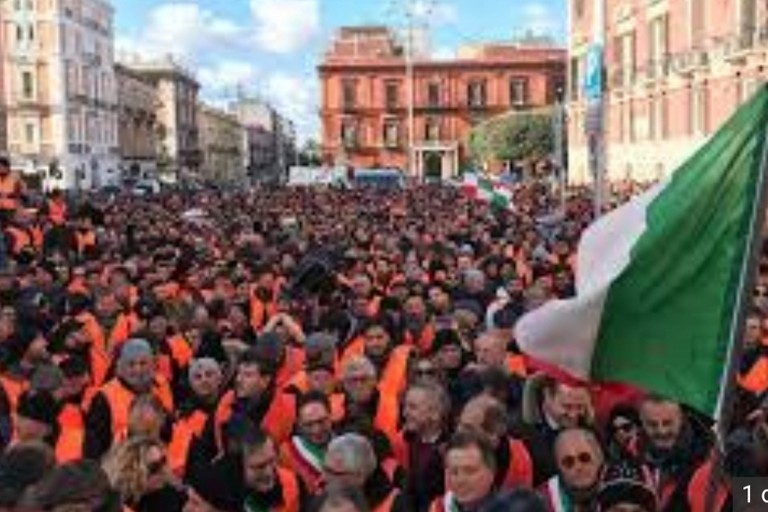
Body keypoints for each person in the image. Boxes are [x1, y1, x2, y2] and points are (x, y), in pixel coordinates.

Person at [84, 339, 174, 460]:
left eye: (143, 363)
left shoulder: (161, 388)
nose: (138, 370)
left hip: (156, 465)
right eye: (131, 364)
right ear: (120, 367)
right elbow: (94, 446)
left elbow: (168, 431)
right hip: (120, 469)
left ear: (152, 365)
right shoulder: (104, 397)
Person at [637, 397, 711, 511]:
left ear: (681, 419)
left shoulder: (708, 457)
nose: (661, 431)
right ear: (641, 423)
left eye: (668, 423)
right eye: (652, 424)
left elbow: (745, 502)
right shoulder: (630, 459)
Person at [391, 380, 450, 511]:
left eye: (413, 407)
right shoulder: (407, 442)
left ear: (435, 414)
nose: (405, 413)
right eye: (405, 406)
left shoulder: (450, 450)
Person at [456, 394, 533, 490]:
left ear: (492, 434)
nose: (459, 431)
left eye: (468, 428)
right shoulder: (453, 452)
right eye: (459, 423)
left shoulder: (519, 457)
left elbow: (524, 500)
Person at [323, 433, 408, 512]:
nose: (324, 477)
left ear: (360, 476)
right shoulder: (321, 498)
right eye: (325, 469)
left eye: (334, 473)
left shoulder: (397, 505)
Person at [102, 435, 187, 512]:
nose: (164, 470)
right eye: (154, 468)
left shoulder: (170, 496)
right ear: (132, 474)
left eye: (164, 460)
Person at [281, 391, 335, 495]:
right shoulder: (287, 453)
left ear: (331, 416)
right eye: (308, 424)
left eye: (321, 421)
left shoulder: (345, 445)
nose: (316, 430)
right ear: (298, 423)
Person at [539, 428, 605, 512]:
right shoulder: (541, 502)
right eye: (568, 462)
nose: (578, 467)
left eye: (584, 458)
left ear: (599, 458)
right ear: (558, 468)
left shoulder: (620, 492)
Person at [429, 431, 498, 512]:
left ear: (491, 474)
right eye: (454, 472)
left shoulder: (510, 506)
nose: (460, 480)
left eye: (469, 471)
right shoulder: (439, 507)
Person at [241, 428, 303, 512]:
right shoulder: (226, 498)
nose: (269, 472)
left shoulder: (294, 482)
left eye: (272, 461)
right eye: (260, 466)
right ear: (242, 466)